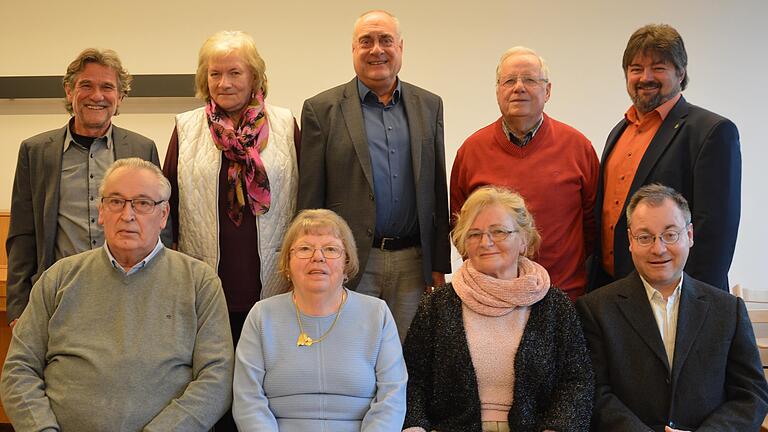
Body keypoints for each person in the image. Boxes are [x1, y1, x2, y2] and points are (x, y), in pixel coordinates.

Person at [0, 158, 233, 431]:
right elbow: (19, 369)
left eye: (143, 203)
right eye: (116, 201)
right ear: (101, 211)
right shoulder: (59, 277)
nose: (127, 215)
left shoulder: (199, 282)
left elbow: (217, 378)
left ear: (164, 215)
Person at [162, 31, 298, 428]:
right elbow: (165, 204)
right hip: (206, 284)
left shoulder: (286, 124)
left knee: (266, 389)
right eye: (214, 73)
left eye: (235, 72)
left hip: (271, 283)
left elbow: (306, 200)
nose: (224, 83)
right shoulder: (186, 127)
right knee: (211, 391)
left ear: (255, 76)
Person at [298, 10, 451, 341]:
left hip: (413, 263)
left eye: (385, 40)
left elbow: (438, 190)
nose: (376, 49)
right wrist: (311, 262)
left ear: (401, 47)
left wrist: (438, 264)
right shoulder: (320, 110)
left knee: (410, 356)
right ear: (353, 49)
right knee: (352, 352)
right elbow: (310, 200)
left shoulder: (430, 105)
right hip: (351, 264)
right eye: (365, 41)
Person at [577, 184, 768, 431]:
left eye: (670, 234)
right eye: (645, 237)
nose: (659, 248)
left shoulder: (728, 310)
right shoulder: (595, 309)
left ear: (689, 235)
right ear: (630, 241)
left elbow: (751, 394)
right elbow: (595, 393)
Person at [402, 186, 593, 432]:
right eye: (474, 234)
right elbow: (412, 379)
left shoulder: (554, 305)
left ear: (524, 240)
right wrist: (415, 427)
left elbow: (577, 380)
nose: (486, 242)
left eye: (499, 232)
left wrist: (558, 427)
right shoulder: (437, 305)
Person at [5, 48, 166, 326]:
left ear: (120, 98)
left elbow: (161, 226)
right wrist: (18, 308)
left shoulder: (142, 148)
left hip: (131, 293)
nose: (97, 96)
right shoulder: (36, 151)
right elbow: (22, 233)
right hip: (60, 297)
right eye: (86, 85)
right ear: (69, 91)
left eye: (107, 87)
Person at [591, 23, 741, 292]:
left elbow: (715, 234)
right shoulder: (619, 131)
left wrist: (692, 304)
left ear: (681, 73)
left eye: (658, 67)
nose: (645, 76)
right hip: (615, 292)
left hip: (674, 296)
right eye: (636, 69)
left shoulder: (711, 131)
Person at [233, 209, 407, 431]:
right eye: (305, 248)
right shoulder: (261, 316)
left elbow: (392, 397)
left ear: (347, 262)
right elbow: (248, 400)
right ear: (288, 263)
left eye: (331, 249)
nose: (318, 257)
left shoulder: (377, 314)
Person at [451, 46, 599, 300]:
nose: (518, 87)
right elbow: (460, 227)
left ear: (548, 90)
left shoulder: (578, 147)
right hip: (491, 298)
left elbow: (593, 227)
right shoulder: (471, 151)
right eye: (509, 81)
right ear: (498, 90)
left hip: (563, 296)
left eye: (530, 80)